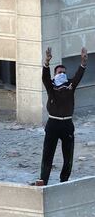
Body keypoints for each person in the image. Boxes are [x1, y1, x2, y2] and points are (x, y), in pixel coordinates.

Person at [37, 46, 87, 185]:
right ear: (55, 74)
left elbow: (78, 76)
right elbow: (45, 77)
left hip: (67, 124)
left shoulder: (70, 85)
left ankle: (64, 180)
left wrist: (83, 63)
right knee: (48, 154)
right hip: (53, 123)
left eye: (64, 72)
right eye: (59, 72)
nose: (62, 74)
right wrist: (46, 62)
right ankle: (43, 180)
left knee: (68, 155)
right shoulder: (51, 86)